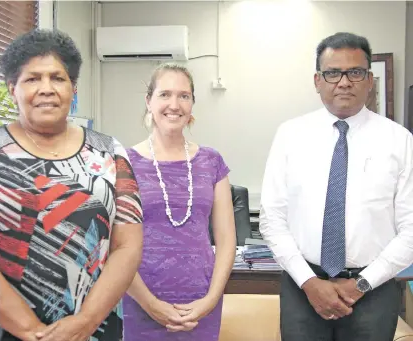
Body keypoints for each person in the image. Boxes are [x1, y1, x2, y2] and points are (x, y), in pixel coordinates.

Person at [260, 32, 413, 341]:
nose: (344, 82)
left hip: (373, 291)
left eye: (355, 72)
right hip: (303, 287)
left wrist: (362, 284)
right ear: (318, 81)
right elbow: (272, 219)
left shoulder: (400, 141)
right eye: (333, 73)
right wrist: (309, 283)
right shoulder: (290, 135)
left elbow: (411, 227)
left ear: (369, 80)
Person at [0, 29, 143, 341]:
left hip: (97, 328)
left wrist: (85, 323)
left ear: (73, 87)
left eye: (57, 78)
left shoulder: (110, 152)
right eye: (32, 79)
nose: (46, 89)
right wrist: (33, 332)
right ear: (13, 88)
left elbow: (127, 245)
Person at [122, 63, 236, 340]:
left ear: (192, 104)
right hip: (141, 300)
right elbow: (117, 246)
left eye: (184, 96)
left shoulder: (212, 161)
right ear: (149, 101)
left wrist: (210, 300)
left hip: (201, 302)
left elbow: (226, 239)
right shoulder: (123, 163)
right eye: (165, 94)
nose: (174, 104)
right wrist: (151, 305)